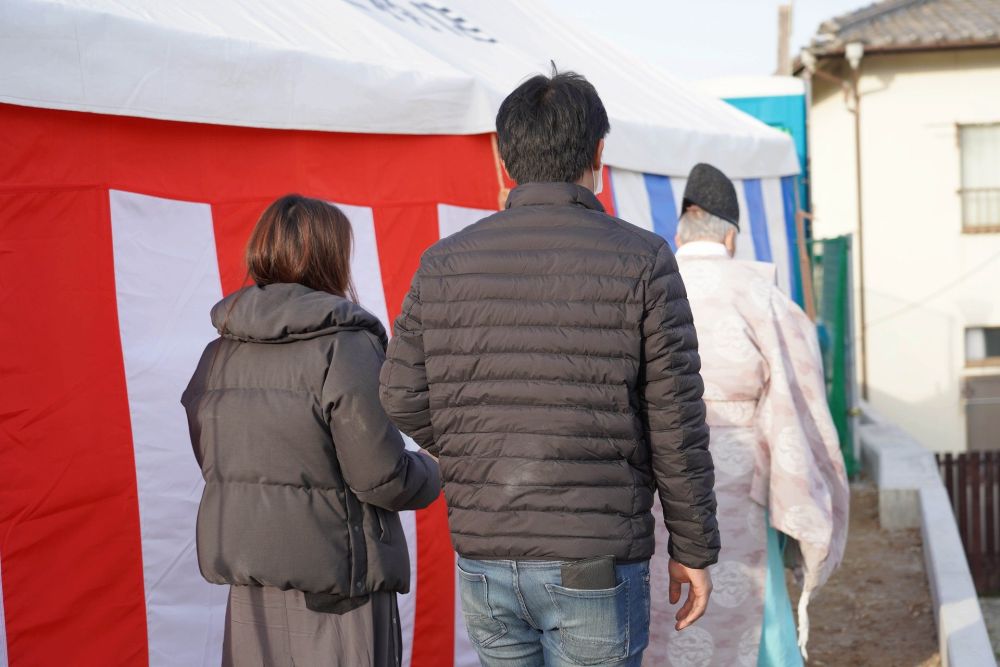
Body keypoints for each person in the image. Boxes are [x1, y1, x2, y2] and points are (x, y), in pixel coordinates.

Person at [379, 71, 720, 667]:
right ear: (597, 154)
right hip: (594, 554)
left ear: (507, 158)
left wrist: (476, 447)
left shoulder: (444, 263)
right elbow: (676, 420)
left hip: (488, 549)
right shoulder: (643, 259)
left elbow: (400, 393)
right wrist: (692, 547)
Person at [181, 195, 441, 667]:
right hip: (338, 594)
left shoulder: (218, 353)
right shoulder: (345, 346)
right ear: (331, 257)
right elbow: (381, 477)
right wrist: (433, 469)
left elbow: (216, 459)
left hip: (252, 585)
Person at [644, 164, 849, 667]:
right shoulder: (761, 294)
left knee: (659, 605)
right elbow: (799, 403)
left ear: (679, 233)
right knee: (753, 602)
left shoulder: (644, 284)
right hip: (738, 479)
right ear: (730, 235)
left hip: (658, 478)